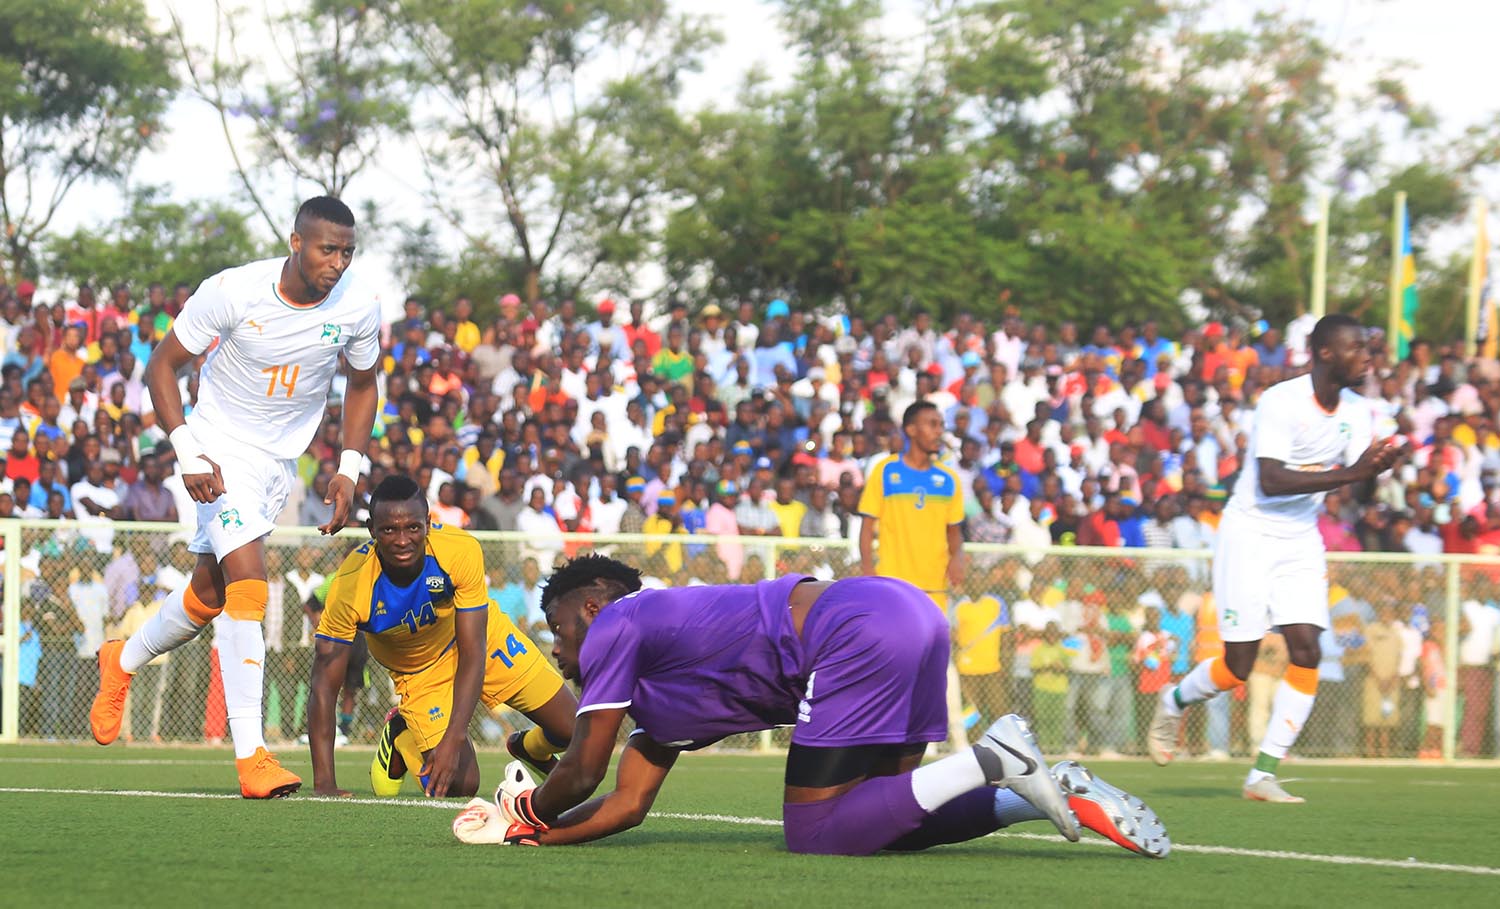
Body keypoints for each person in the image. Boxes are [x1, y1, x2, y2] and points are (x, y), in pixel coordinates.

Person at [451, 554, 1169, 858]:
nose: (558, 649)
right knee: (885, 821)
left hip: (851, 630)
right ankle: (1034, 789)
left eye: (557, 629)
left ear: (591, 606)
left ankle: (992, 758)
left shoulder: (617, 622)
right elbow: (623, 803)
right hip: (905, 615)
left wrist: (522, 810)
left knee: (812, 831)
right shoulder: (660, 694)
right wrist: (536, 839)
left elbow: (582, 768)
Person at [89, 196, 383, 798]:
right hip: (219, 450)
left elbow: (362, 383)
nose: (338, 263)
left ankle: (121, 659)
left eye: (347, 252)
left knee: (209, 593)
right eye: (328, 249)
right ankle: (252, 756)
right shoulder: (233, 291)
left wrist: (349, 467)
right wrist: (187, 450)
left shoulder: (358, 304)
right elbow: (162, 366)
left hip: (279, 463)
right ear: (296, 242)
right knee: (250, 584)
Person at [1146, 314, 1404, 802]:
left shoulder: (1358, 409)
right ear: (1325, 353)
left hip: (1300, 537)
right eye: (1357, 348)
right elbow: (1271, 480)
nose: (1368, 358)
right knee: (1237, 666)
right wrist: (1352, 473)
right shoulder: (1281, 401)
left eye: (1369, 348)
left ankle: (1262, 774)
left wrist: (1375, 470)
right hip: (1250, 533)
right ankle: (1175, 699)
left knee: (1307, 649)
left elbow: (1358, 488)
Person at [308, 476, 577, 798]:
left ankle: (529, 748)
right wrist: (324, 783)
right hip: (419, 672)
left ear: (428, 522)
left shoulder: (459, 549)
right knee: (461, 785)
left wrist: (453, 737)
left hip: (482, 640)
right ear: (371, 530)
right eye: (389, 530)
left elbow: (473, 652)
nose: (402, 540)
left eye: (413, 527)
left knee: (573, 729)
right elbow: (324, 683)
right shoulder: (350, 585)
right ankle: (402, 734)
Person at [859, 400, 967, 749]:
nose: (939, 431)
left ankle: (952, 738)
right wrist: (868, 571)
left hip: (934, 590)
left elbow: (955, 533)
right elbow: (867, 528)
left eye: (940, 424)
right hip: (892, 588)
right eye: (932, 424)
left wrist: (958, 557)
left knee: (940, 665)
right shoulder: (885, 471)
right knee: (890, 661)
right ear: (911, 429)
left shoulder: (948, 479)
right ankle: (884, 733)